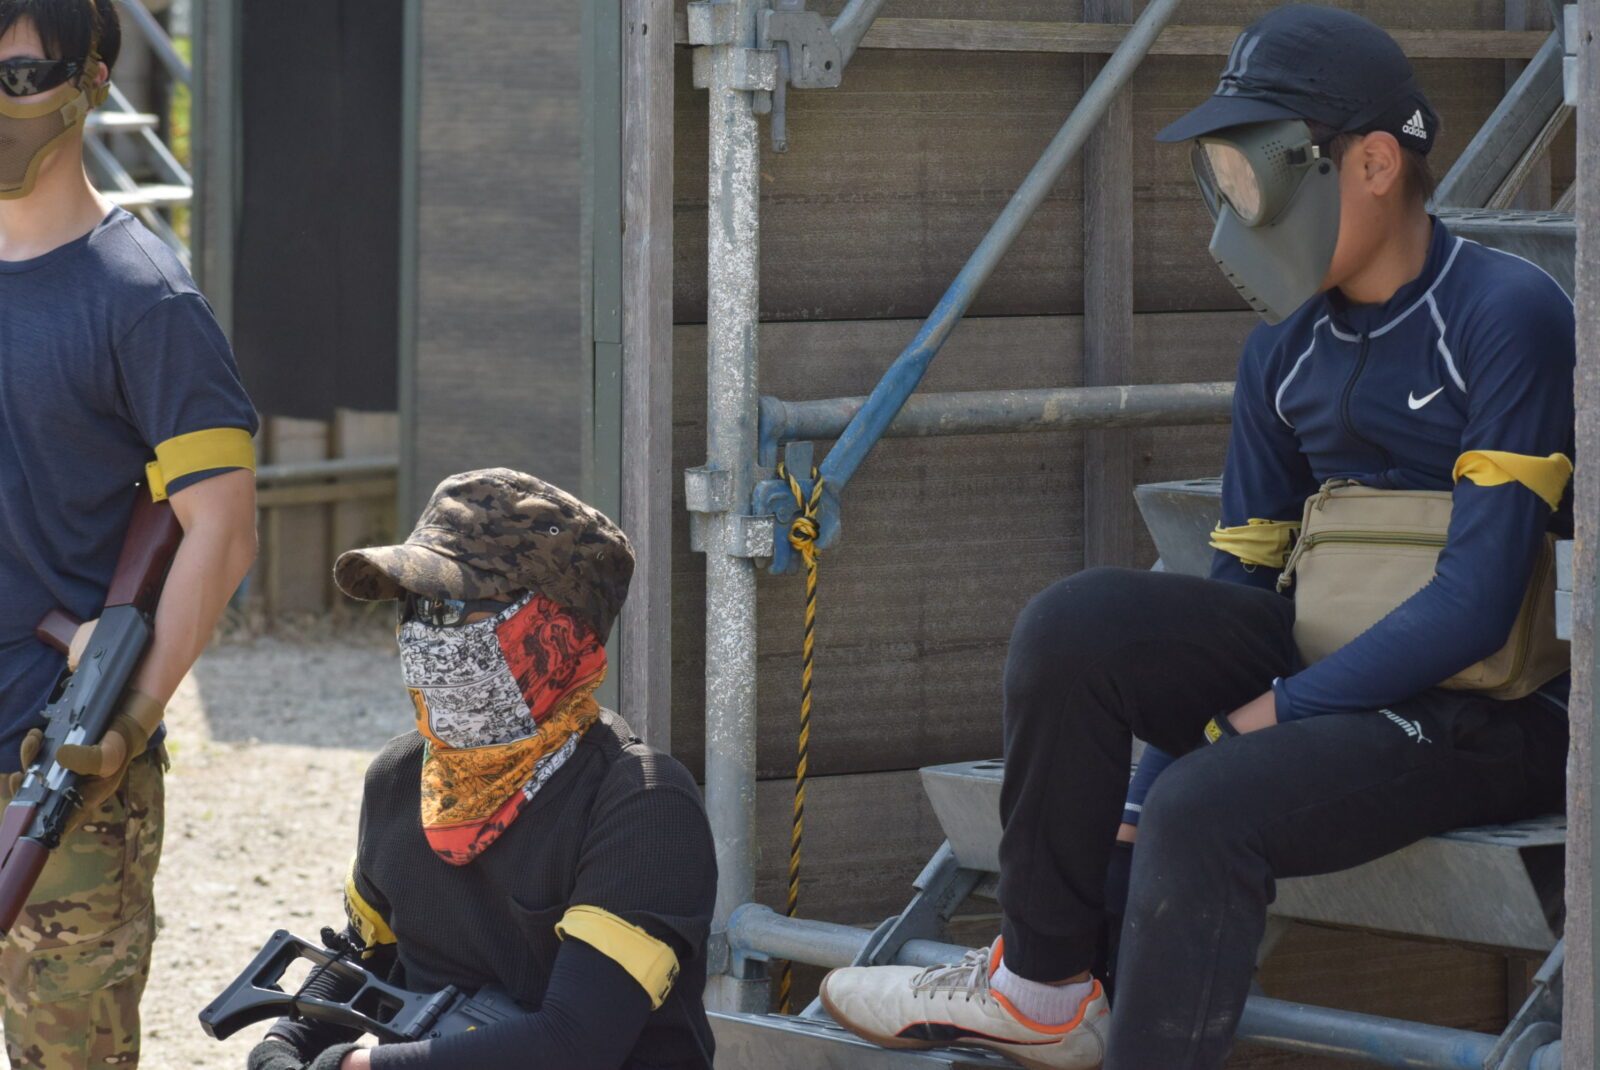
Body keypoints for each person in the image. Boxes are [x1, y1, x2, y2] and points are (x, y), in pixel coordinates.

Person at [817, 6, 1574, 1069]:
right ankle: (1041, 988)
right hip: (1329, 667)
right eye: (1220, 176)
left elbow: (1479, 603)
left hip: (1490, 710)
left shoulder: (1508, 313)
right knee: (1075, 626)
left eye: (1253, 172)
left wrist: (1267, 718)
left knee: (1203, 807)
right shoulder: (1282, 349)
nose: (1235, 208)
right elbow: (1239, 589)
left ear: (1370, 165)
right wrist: (1154, 768)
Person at [246, 469, 717, 1070]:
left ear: (558, 628)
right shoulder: (400, 777)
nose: (424, 632)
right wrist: (284, 1045)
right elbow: (362, 960)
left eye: (455, 606)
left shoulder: (643, 803)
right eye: (415, 605)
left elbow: (575, 1043)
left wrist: (357, 1068)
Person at [0, 0, 259, 1066]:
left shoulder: (143, 298)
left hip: (50, 769)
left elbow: (221, 530)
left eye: (21, 77)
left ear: (93, 81)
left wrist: (126, 716)